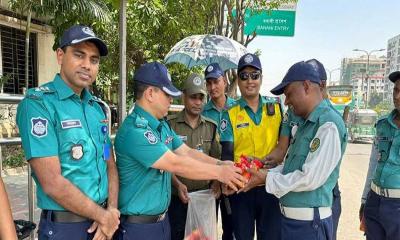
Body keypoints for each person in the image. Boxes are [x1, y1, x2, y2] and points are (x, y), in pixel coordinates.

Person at [114, 62, 245, 240]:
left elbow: (187, 152)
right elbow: (175, 163)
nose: (171, 100)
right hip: (139, 227)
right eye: (167, 94)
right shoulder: (135, 131)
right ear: (150, 93)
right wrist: (220, 172)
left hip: (161, 222)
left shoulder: (161, 127)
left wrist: (221, 163)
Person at [16, 25, 119, 240]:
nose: (87, 65)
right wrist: (102, 216)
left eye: (94, 59)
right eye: (79, 55)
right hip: (66, 229)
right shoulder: (39, 104)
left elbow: (109, 161)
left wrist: (112, 211)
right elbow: (52, 182)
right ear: (60, 55)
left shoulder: (96, 109)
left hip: (102, 226)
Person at [241, 61, 347, 240]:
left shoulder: (328, 123)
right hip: (291, 223)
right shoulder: (305, 123)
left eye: (289, 94)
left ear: (306, 86)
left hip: (309, 227)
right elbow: (289, 167)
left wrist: (266, 178)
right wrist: (261, 171)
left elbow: (309, 178)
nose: (287, 101)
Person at [220, 53, 282, 240]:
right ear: (238, 81)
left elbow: (285, 147)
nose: (250, 81)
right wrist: (228, 181)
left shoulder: (276, 108)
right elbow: (227, 153)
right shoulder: (229, 113)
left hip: (269, 185)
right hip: (241, 187)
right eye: (244, 76)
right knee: (242, 236)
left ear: (261, 78)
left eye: (254, 75)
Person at [167, 73, 221, 240]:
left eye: (201, 98)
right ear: (183, 96)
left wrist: (217, 183)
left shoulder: (211, 127)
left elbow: (216, 160)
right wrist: (177, 184)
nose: (198, 102)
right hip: (178, 199)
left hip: (204, 198)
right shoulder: (170, 125)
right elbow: (164, 163)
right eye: (193, 97)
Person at [359, 70, 400, 240]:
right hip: (375, 200)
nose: (397, 96)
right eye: (395, 90)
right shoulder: (383, 124)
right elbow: (373, 165)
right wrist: (364, 199)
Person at [202, 62, 235, 240]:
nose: (213, 87)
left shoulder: (237, 108)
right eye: (209, 83)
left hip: (232, 178)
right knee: (207, 227)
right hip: (210, 179)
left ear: (225, 81)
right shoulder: (202, 111)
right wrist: (215, 177)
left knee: (232, 227)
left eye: (216, 81)